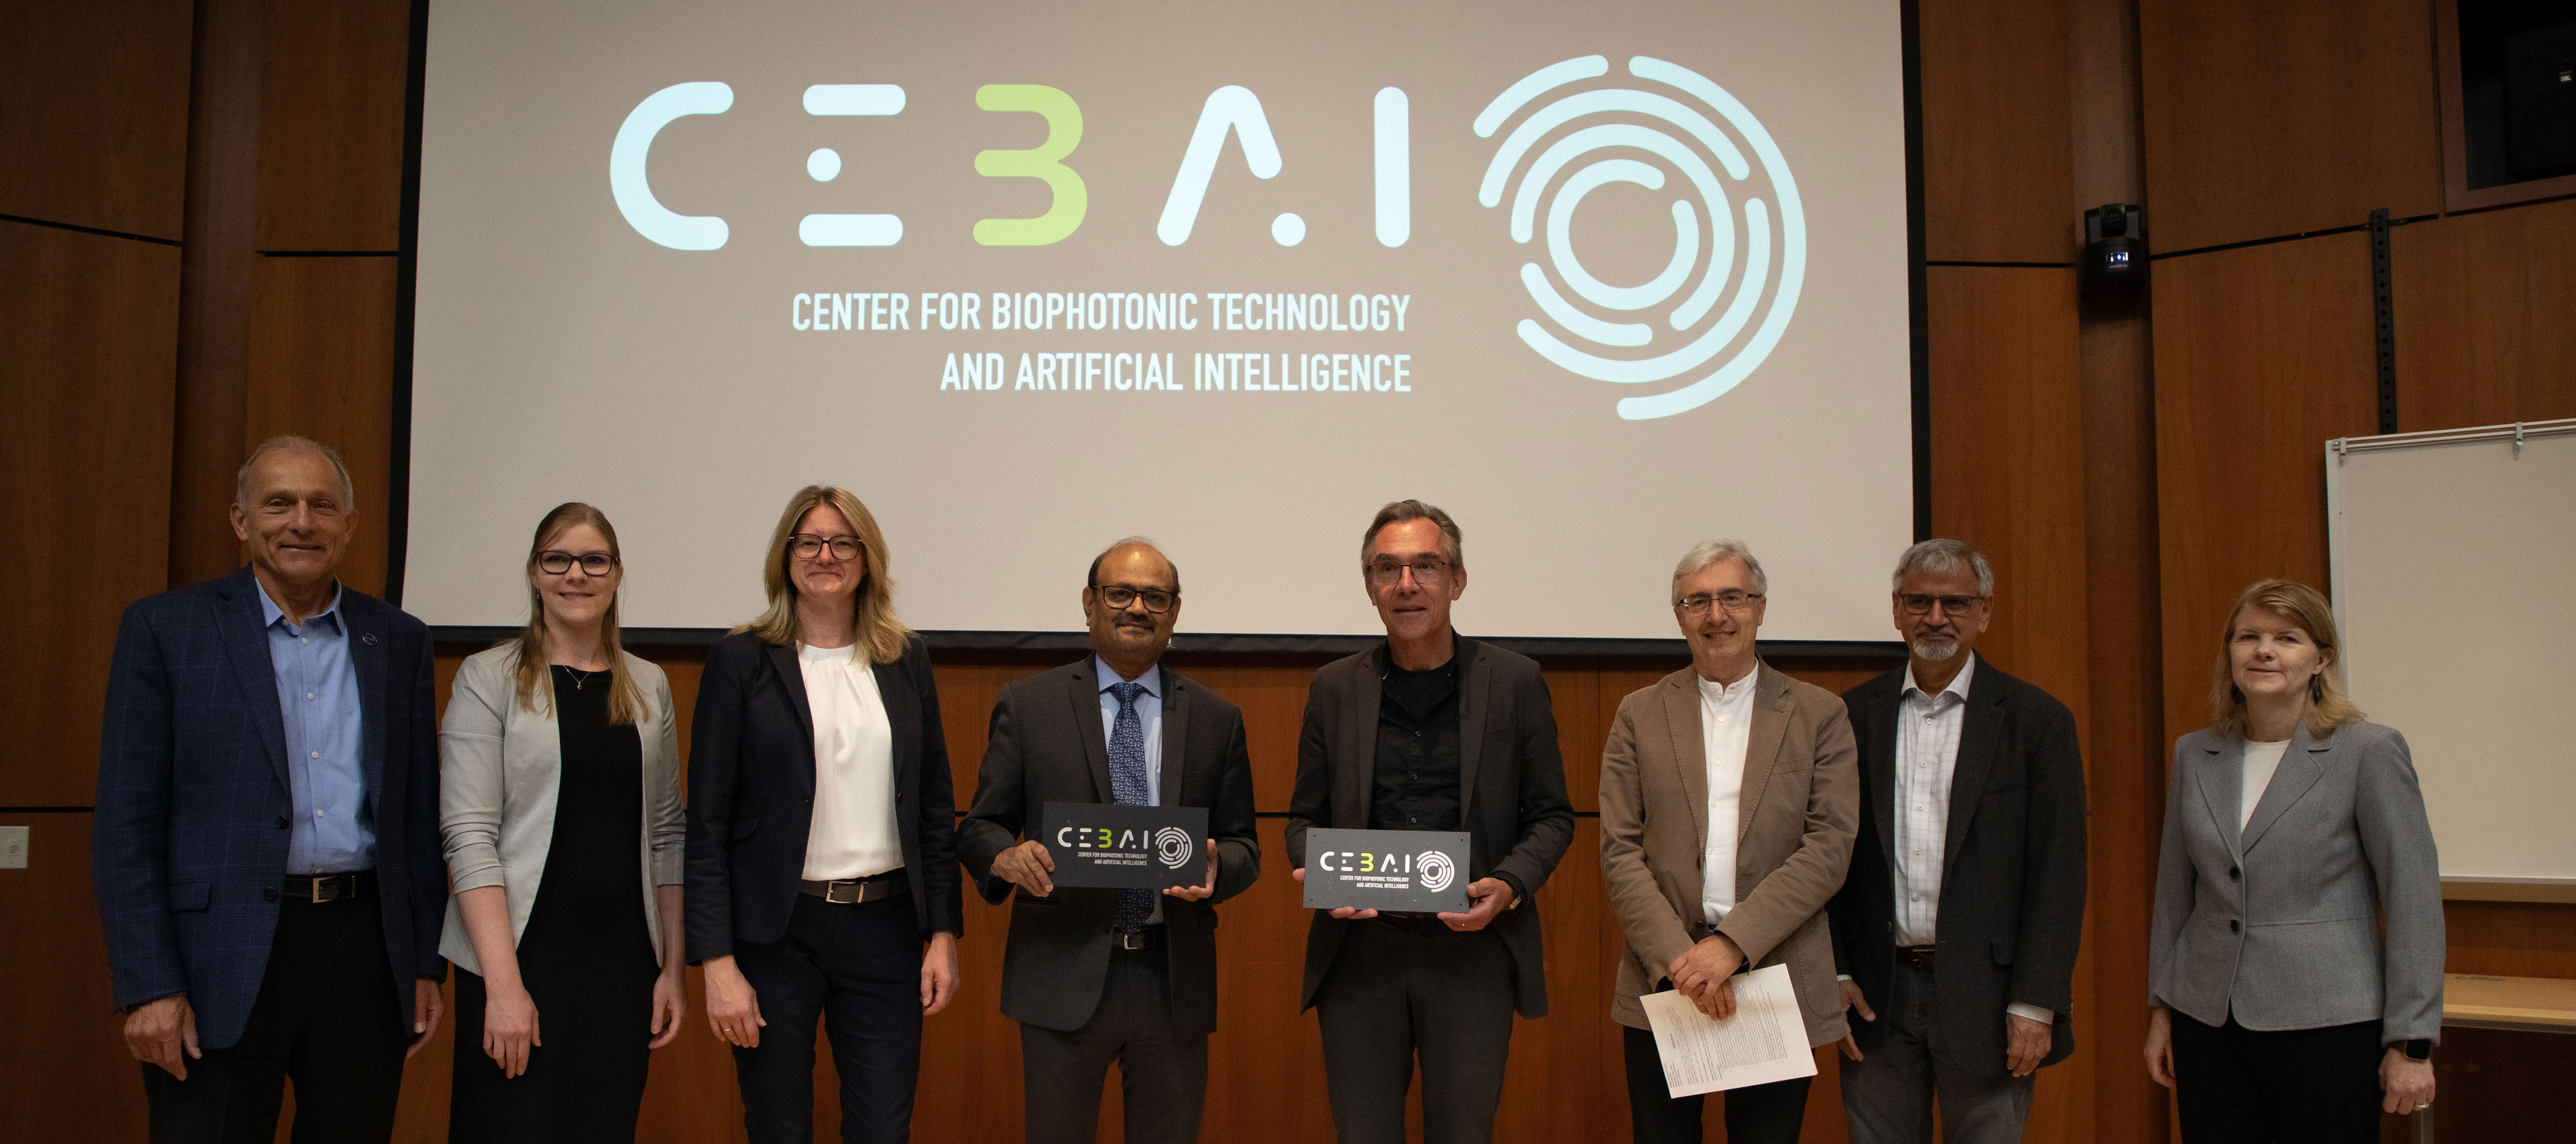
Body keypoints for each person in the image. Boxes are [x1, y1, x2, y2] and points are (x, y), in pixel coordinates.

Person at [93, 436, 446, 1141]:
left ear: (349, 524)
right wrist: (150, 984)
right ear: (240, 519)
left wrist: (422, 962)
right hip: (215, 957)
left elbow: (414, 815)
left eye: (322, 506)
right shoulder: (167, 630)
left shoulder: (398, 639)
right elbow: (127, 824)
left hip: (363, 950)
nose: (302, 523)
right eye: (279, 503)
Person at [1285, 499, 1575, 1144]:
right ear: (1370, 588)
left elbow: (1553, 815)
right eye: (1388, 568)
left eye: (1426, 566)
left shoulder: (1515, 681)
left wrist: (1510, 884)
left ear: (1458, 580)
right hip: (1361, 956)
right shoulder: (1334, 687)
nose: (1407, 584)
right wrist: (1328, 879)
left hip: (1471, 951)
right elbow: (1303, 819)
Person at [958, 538, 1262, 1144]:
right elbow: (980, 825)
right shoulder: (1029, 705)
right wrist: (1005, 856)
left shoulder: (1214, 718)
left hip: (1170, 978)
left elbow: (1244, 846)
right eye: (1120, 593)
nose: (1137, 608)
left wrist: (1216, 866)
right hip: (1060, 974)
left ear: (1175, 612)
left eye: (1155, 596)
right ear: (1090, 604)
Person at [685, 486, 963, 1144]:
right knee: (778, 1126)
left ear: (867, 558)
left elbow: (931, 803)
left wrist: (943, 933)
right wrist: (717, 963)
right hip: (775, 936)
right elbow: (707, 823)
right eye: (807, 541)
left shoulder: (904, 658)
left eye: (842, 542)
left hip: (886, 932)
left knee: (881, 1129)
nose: (824, 555)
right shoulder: (741, 659)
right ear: (784, 557)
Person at [2145, 578, 2440, 1142]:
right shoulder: (2195, 752)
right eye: (2248, 636)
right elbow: (2173, 894)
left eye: (2287, 638)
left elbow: (2414, 899)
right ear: (2229, 651)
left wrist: (2412, 1042)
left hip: (2327, 1025)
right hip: (2208, 1023)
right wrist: (2161, 1008)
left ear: (2320, 659)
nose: (2264, 650)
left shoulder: (2369, 751)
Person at [1597, 538, 1859, 1144]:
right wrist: (1682, 962)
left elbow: (1828, 848)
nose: (1716, 615)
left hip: (1774, 977)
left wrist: (1730, 947)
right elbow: (1619, 849)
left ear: (1760, 607)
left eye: (1732, 597)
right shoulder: (1638, 715)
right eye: (1697, 601)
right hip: (1664, 981)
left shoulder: (1820, 715)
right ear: (1679, 615)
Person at [439, 502, 687, 1140]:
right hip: (519, 959)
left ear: (616, 573)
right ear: (534, 572)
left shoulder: (649, 684)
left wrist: (672, 969)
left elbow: (666, 833)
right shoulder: (486, 678)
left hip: (621, 970)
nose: (576, 574)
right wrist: (503, 985)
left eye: (594, 560)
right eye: (558, 559)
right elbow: (469, 837)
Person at [1827, 540, 2088, 1144]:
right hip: (1875, 997)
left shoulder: (2037, 722)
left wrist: (2036, 1001)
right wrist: (1834, 973)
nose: (1936, 617)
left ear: (1984, 612)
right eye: (1919, 601)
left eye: (1955, 603)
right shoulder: (1851, 716)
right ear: (1896, 610)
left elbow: (2059, 874)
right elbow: (1828, 858)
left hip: (1992, 1000)